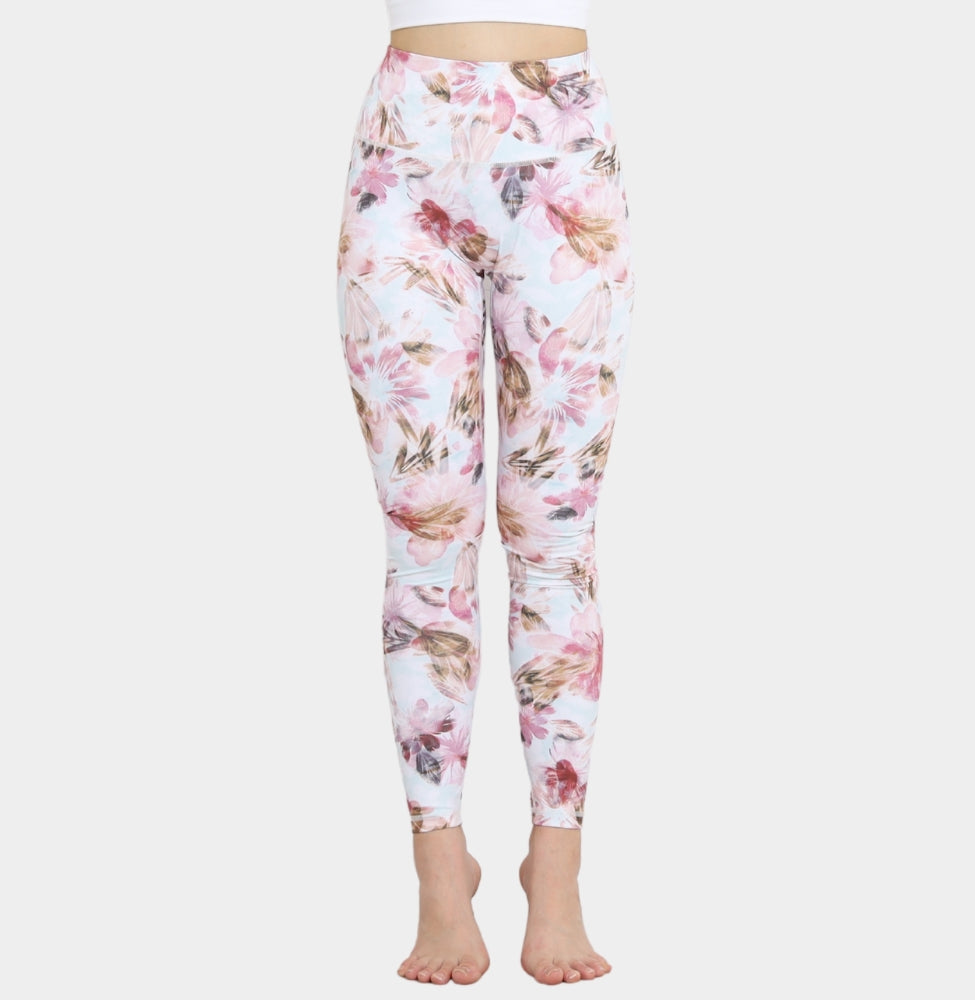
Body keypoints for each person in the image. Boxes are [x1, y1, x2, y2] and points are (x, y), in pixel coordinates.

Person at [335, 1, 635, 986]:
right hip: (407, 149)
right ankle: (438, 869)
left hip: (562, 144)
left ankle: (557, 868)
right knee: (426, 534)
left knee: (554, 539)